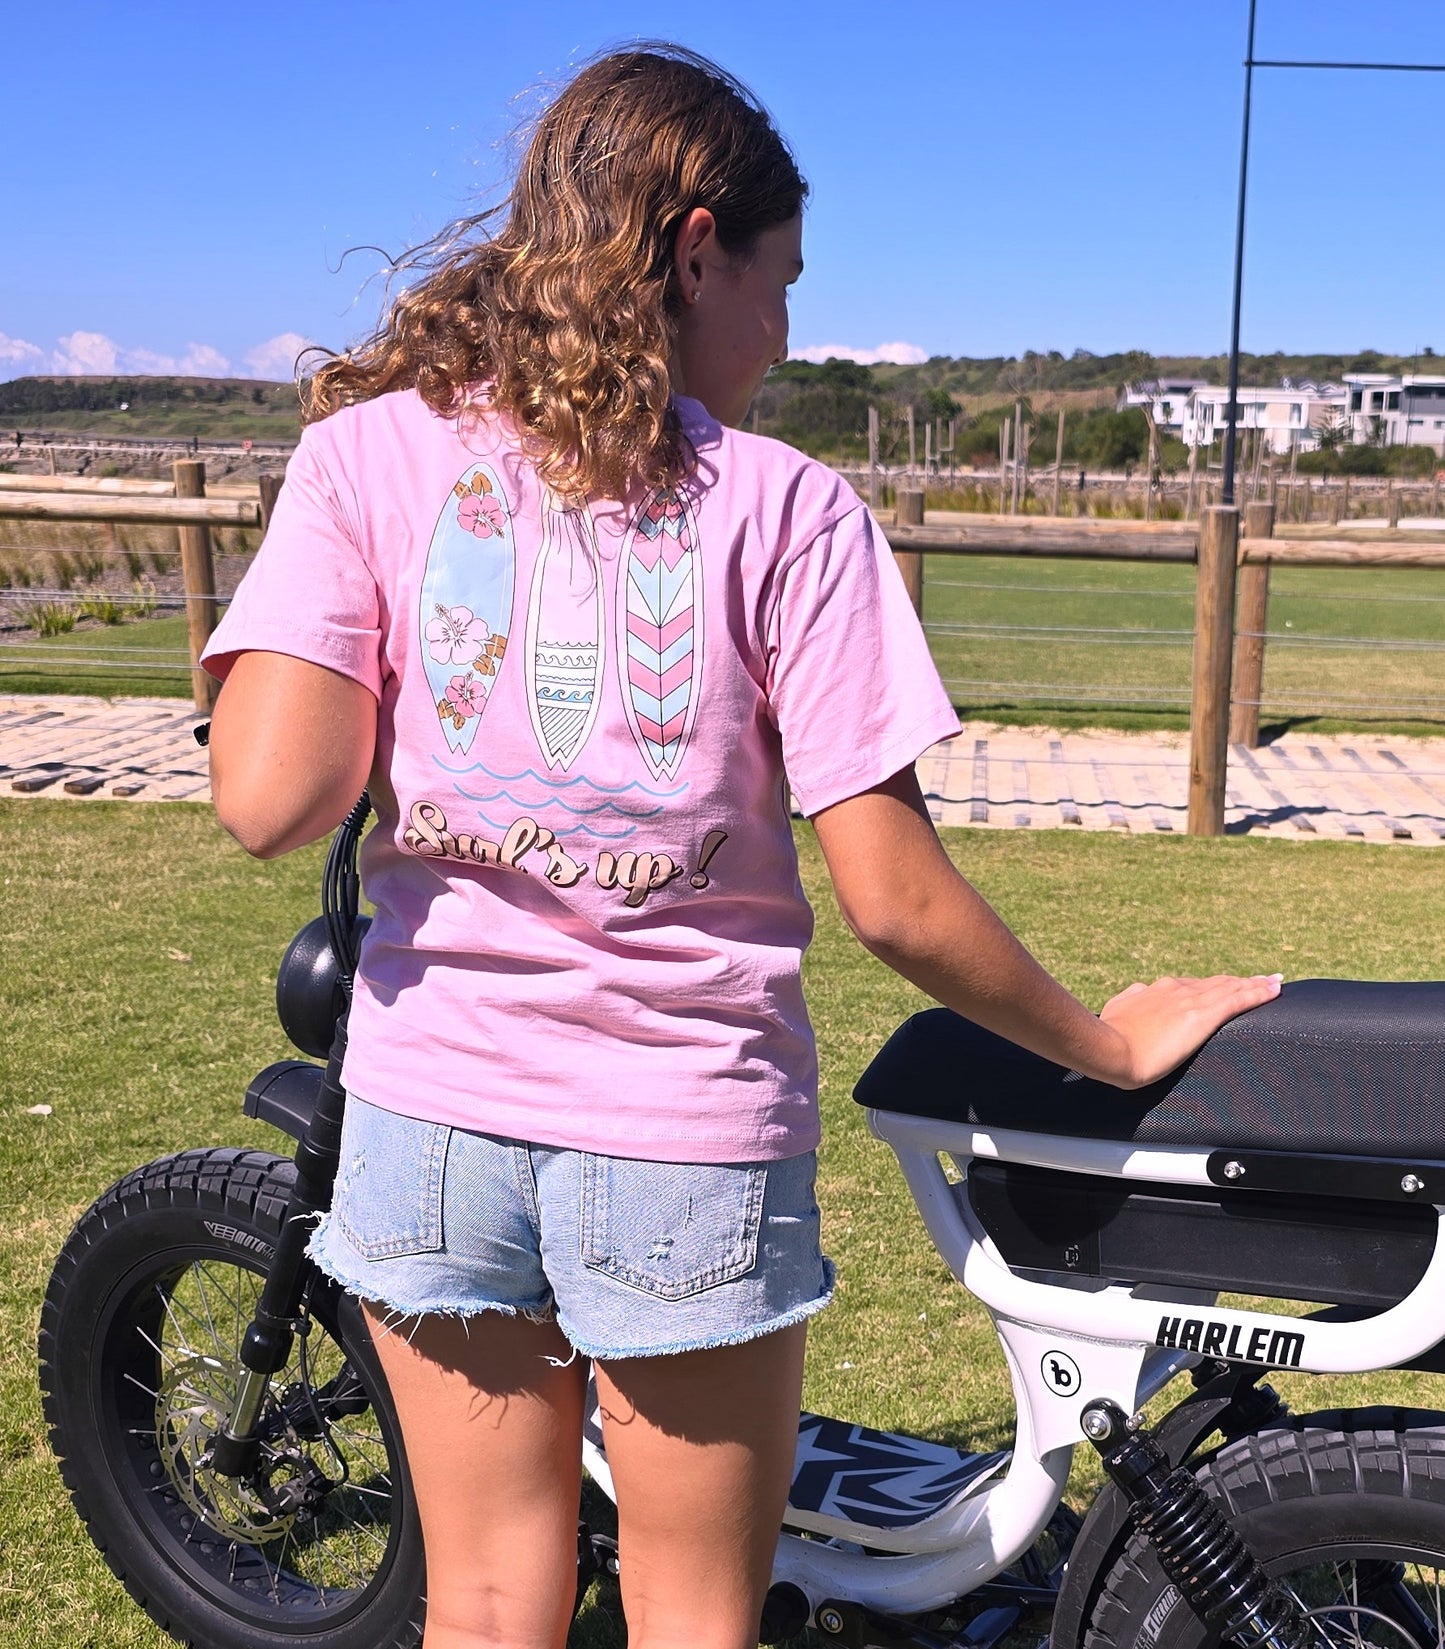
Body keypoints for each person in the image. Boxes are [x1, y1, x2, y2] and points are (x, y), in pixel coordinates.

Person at [203, 45, 1279, 1649]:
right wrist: (1105, 1039)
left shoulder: (374, 456)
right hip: (681, 1143)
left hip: (430, 1126)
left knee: (488, 1604)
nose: (783, 336)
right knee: (694, 1614)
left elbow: (268, 796)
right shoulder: (786, 510)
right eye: (781, 285)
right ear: (697, 247)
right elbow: (895, 901)